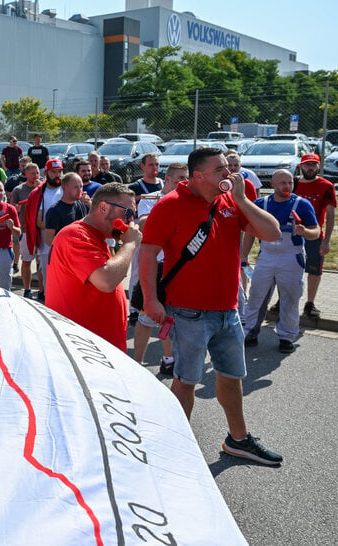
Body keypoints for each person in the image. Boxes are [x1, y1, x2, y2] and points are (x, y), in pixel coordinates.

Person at [139, 146, 283, 465]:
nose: (229, 174)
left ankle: (239, 439)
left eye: (228, 168)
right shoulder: (170, 205)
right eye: (220, 169)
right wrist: (150, 299)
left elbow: (272, 234)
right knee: (186, 381)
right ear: (198, 175)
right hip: (187, 312)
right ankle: (174, 445)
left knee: (232, 377)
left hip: (228, 310)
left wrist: (244, 200)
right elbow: (147, 252)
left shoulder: (231, 200)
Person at [47, 183, 141, 353]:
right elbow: (106, 281)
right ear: (103, 208)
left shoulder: (96, 236)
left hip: (97, 348)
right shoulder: (76, 235)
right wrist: (130, 244)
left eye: (133, 214)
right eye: (127, 212)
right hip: (84, 350)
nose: (130, 220)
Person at [241, 170, 319, 352]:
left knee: (290, 297)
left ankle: (286, 336)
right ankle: (250, 332)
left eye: (290, 182)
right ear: (273, 185)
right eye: (282, 183)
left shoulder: (302, 204)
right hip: (267, 255)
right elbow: (250, 232)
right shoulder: (261, 204)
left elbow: (315, 231)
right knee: (257, 296)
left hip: (291, 257)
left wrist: (305, 232)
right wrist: (244, 256)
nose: (286, 186)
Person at [128, 163, 186, 374]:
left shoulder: (188, 200)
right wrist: (164, 204)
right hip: (154, 268)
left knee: (171, 319)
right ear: (168, 180)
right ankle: (137, 362)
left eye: (186, 178)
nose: (184, 182)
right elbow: (142, 224)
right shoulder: (151, 199)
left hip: (177, 268)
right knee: (145, 319)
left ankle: (168, 359)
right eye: (180, 178)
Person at [293, 153, 336, 319]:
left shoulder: (326, 186)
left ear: (318, 166)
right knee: (287, 270)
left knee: (314, 271)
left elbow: (331, 215)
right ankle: (284, 300)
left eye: (313, 164)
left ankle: (310, 304)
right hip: (292, 235)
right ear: (301, 166)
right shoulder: (293, 183)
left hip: (314, 236)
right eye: (306, 164)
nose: (310, 168)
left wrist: (326, 241)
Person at [22, 158, 64, 301]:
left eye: (59, 171)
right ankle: (49, 299)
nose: (57, 175)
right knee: (46, 273)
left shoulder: (67, 189)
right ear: (46, 173)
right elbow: (38, 221)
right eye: (54, 172)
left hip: (66, 239)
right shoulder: (38, 193)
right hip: (47, 241)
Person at [10, 163, 40, 297]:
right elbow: (12, 208)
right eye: (33, 173)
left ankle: (42, 290)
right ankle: (27, 289)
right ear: (26, 174)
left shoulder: (44, 188)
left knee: (41, 262)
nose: (36, 176)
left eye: (37, 172)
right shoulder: (18, 190)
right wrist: (17, 208)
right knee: (27, 261)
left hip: (40, 230)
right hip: (26, 230)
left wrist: (39, 188)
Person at [44, 173, 90, 247]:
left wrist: (90, 205)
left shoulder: (83, 204)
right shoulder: (54, 210)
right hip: (67, 253)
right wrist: (69, 248)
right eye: (75, 187)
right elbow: (48, 239)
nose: (80, 190)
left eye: (81, 186)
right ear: (64, 187)